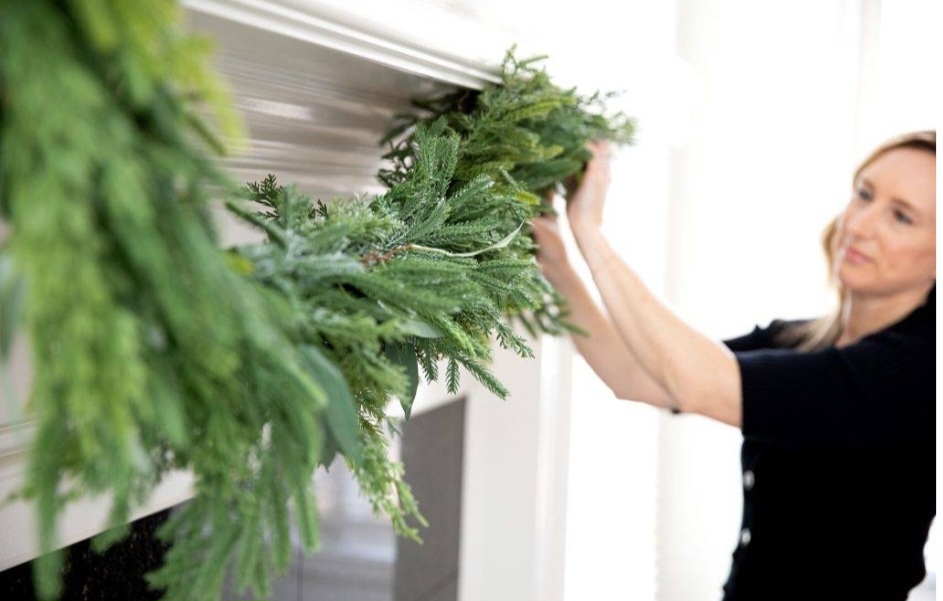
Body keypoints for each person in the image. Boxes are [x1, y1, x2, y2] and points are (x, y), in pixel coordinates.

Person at [531, 131, 935, 600]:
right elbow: (637, 374)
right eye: (864, 194)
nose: (860, 225)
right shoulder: (801, 340)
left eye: (901, 217)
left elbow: (698, 384)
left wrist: (592, 236)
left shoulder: (920, 371)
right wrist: (557, 258)